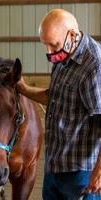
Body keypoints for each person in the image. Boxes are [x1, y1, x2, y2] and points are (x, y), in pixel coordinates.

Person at [17, 9, 101, 200]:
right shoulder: (62, 56)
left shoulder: (94, 65)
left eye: (53, 45)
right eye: (45, 45)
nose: (49, 52)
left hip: (81, 173)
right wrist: (23, 89)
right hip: (55, 166)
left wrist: (99, 172)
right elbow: (55, 97)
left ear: (71, 35)